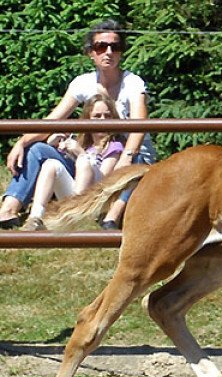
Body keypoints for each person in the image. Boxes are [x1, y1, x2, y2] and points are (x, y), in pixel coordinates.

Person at [0, 19, 155, 230]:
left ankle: (106, 218)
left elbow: (139, 126)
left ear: (121, 52)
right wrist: (22, 141)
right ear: (90, 52)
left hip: (128, 156)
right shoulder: (83, 83)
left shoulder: (133, 83)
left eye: (115, 47)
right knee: (37, 149)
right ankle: (10, 209)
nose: (108, 52)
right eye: (101, 46)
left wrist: (125, 159)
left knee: (134, 159)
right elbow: (52, 121)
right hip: (94, 159)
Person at [22, 95, 125, 231]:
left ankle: (76, 216)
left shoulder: (115, 146)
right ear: (88, 119)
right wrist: (56, 145)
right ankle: (35, 217)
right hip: (75, 194)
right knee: (51, 164)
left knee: (83, 162)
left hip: (95, 197)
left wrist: (81, 154)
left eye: (107, 116)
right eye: (97, 116)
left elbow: (104, 178)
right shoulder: (84, 143)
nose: (102, 120)